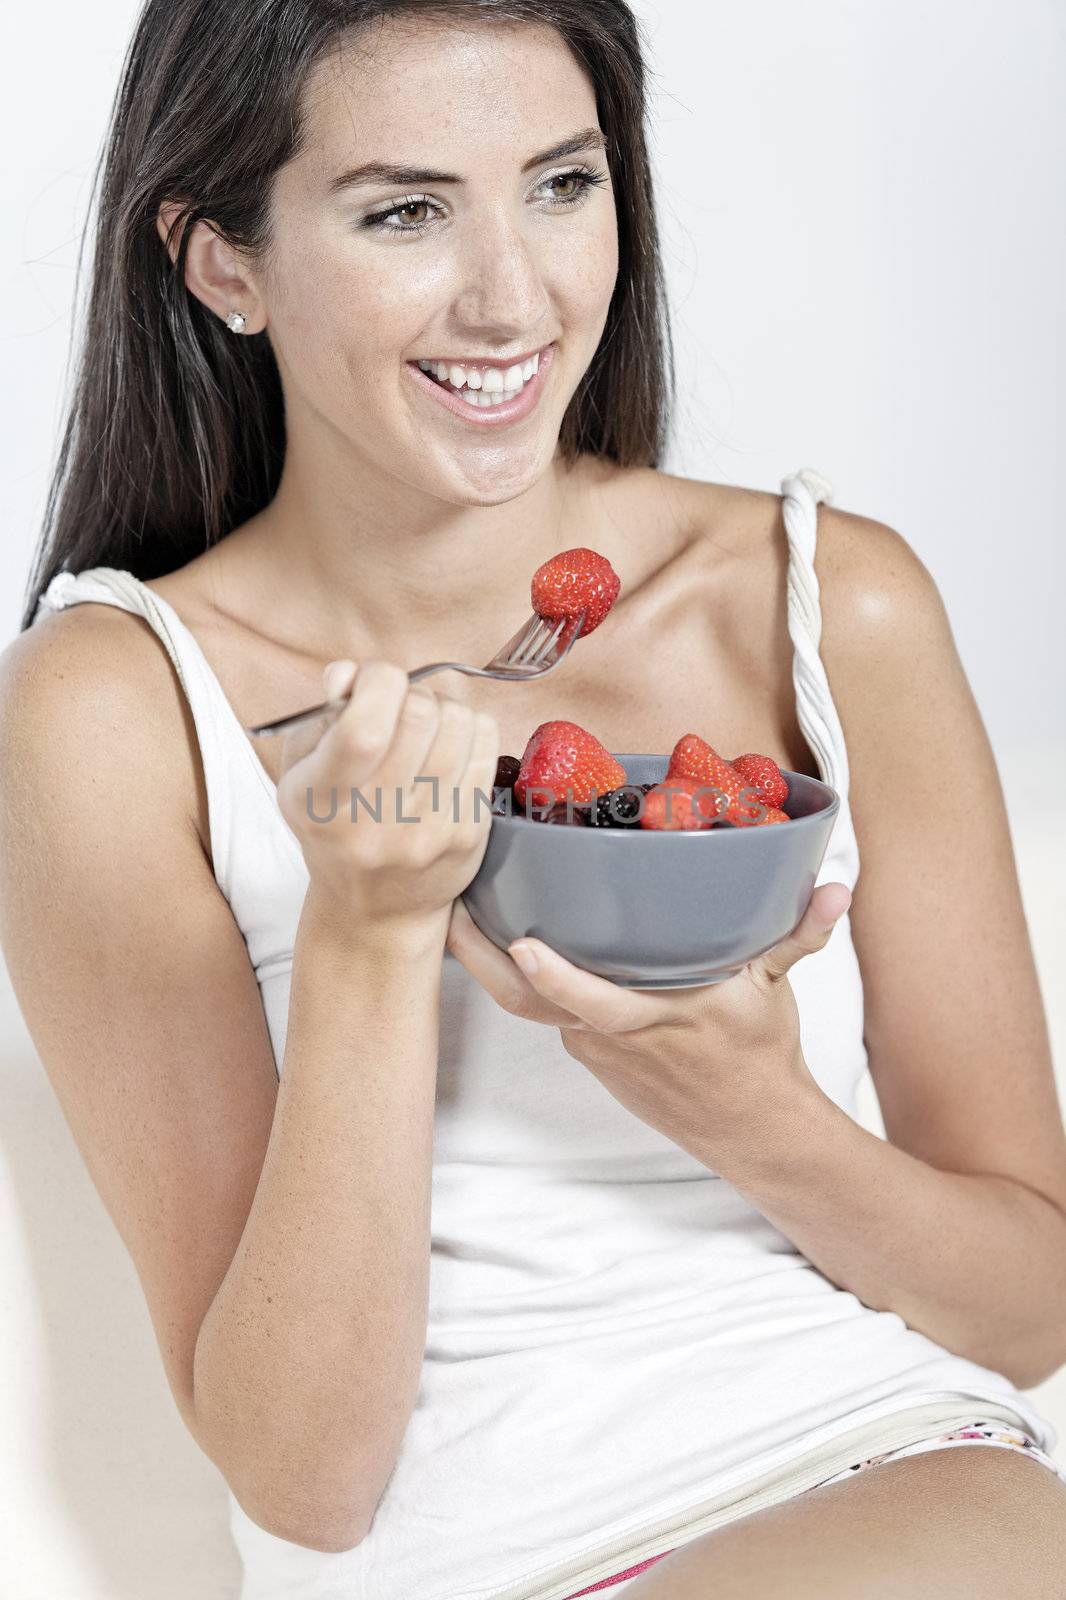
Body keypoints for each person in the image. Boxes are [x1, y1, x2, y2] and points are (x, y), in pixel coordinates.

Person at [2, 2, 1065, 1596]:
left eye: (562, 186)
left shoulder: (827, 600)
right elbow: (303, 1483)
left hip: (880, 1460)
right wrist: (366, 938)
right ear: (222, 263)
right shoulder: (111, 705)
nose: (513, 298)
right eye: (405, 211)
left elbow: (1026, 1312)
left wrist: (753, 1115)